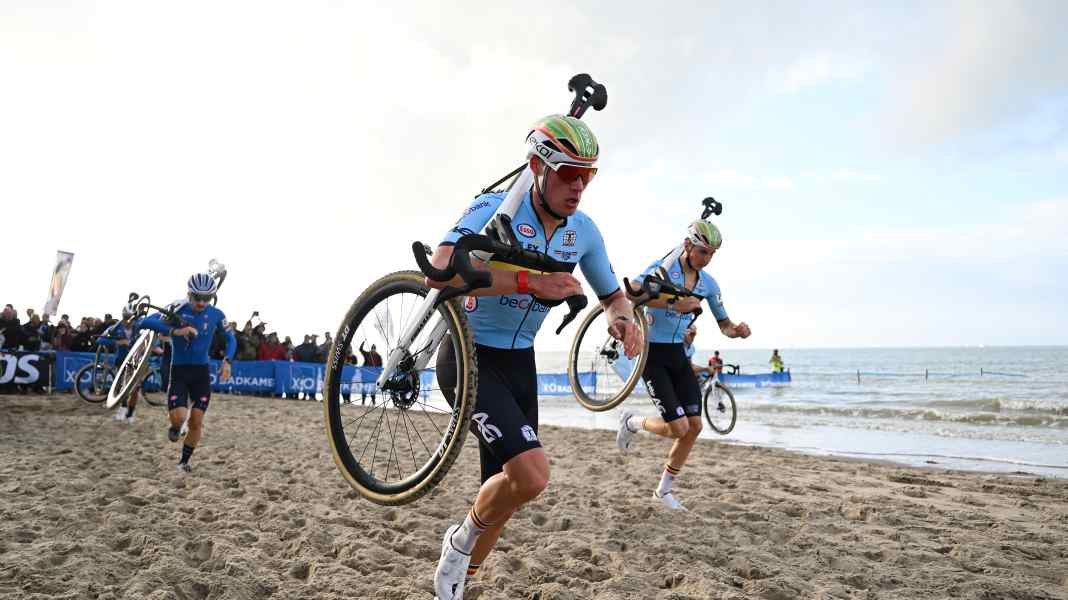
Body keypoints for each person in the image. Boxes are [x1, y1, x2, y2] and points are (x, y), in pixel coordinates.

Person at [429, 114, 643, 600]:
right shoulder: (494, 208)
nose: (579, 186)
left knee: (507, 491)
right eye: (569, 173)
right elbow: (439, 274)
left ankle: (460, 587)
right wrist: (533, 282)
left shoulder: (584, 232)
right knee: (533, 474)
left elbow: (613, 295)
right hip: (470, 356)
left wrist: (621, 319)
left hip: (520, 364)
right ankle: (459, 542)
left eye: (588, 176)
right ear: (537, 167)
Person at [616, 220, 751, 512]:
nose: (707, 258)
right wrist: (673, 304)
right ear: (688, 245)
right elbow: (632, 293)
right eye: (703, 251)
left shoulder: (708, 284)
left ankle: (662, 492)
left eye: (712, 254)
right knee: (677, 428)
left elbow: (724, 324)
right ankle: (631, 422)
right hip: (652, 354)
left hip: (678, 355)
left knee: (694, 427)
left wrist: (736, 330)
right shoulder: (663, 268)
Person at [140, 273, 235, 473]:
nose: (201, 303)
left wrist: (227, 360)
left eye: (206, 298)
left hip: (201, 373)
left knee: (196, 421)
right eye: (197, 297)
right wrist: (175, 331)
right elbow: (145, 322)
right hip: (179, 371)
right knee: (180, 417)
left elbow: (231, 339)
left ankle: (183, 462)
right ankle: (174, 427)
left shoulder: (217, 314)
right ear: (189, 294)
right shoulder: (177, 308)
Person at [95, 302, 144, 422]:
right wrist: (118, 342)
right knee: (122, 385)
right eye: (126, 317)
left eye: (131, 318)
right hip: (121, 359)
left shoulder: (139, 326)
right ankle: (122, 407)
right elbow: (100, 339)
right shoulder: (115, 328)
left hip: (136, 360)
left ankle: (131, 413)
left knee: (135, 388)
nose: (128, 321)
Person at [358, 341, 382, 406]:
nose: (373, 350)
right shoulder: (368, 354)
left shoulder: (378, 357)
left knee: (372, 389)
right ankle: (363, 402)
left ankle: (373, 402)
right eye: (372, 348)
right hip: (365, 375)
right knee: (364, 388)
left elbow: (380, 367)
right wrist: (363, 343)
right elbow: (360, 349)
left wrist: (379, 374)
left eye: (374, 348)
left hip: (373, 376)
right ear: (371, 349)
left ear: (375, 349)